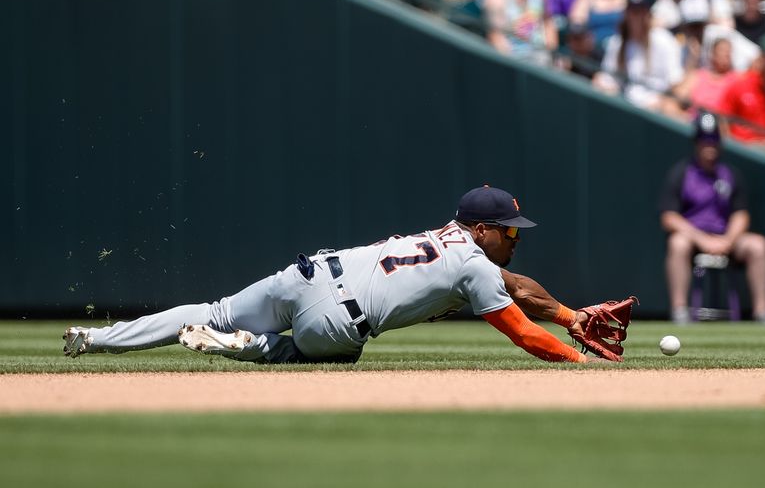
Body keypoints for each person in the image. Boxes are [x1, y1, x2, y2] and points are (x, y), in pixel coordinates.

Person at [64, 186, 611, 364]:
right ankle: (251, 347)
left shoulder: (448, 238)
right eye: (509, 231)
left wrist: (570, 315)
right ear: (483, 230)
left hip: (305, 274)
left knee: (208, 309)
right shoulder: (474, 267)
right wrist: (576, 355)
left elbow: (518, 288)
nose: (515, 238)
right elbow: (519, 329)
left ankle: (94, 339)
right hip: (334, 320)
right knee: (336, 353)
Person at [659, 113, 765, 324]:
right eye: (705, 140)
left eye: (713, 140)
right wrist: (702, 239)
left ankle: (762, 311)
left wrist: (727, 241)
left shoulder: (730, 174)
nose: (709, 146)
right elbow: (669, 217)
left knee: (758, 245)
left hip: (726, 237)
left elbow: (741, 214)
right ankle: (679, 310)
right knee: (677, 242)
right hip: (694, 238)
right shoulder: (682, 173)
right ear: (696, 142)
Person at [593, 0, 684, 113]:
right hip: (625, 105)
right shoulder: (618, 42)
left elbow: (675, 83)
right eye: (633, 12)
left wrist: (661, 101)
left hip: (656, 107)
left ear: (648, 14)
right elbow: (608, 77)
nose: (636, 17)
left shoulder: (664, 41)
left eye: (640, 12)